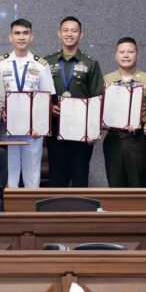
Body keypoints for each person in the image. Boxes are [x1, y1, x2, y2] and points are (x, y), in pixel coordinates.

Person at [44, 16, 104, 188]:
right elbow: (41, 94)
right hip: (55, 128)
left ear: (81, 34)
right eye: (66, 30)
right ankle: (58, 213)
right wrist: (49, 108)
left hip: (81, 131)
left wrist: (93, 130)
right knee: (57, 175)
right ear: (59, 33)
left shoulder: (91, 63)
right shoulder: (47, 62)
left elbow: (97, 98)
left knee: (80, 174)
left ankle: (81, 214)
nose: (70, 34)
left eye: (74, 30)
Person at [0, 19, 56, 188]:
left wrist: (41, 124)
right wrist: (1, 113)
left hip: (33, 128)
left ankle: (32, 211)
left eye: (25, 33)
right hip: (7, 126)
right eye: (17, 33)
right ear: (10, 37)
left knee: (32, 172)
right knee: (9, 171)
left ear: (32, 37)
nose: (21, 37)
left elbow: (47, 98)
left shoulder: (41, 64)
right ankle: (8, 211)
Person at [102, 37, 146, 188]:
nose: (126, 55)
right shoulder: (106, 80)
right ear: (116, 56)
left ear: (137, 55)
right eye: (122, 52)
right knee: (115, 186)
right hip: (113, 139)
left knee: (139, 186)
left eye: (130, 52)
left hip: (138, 140)